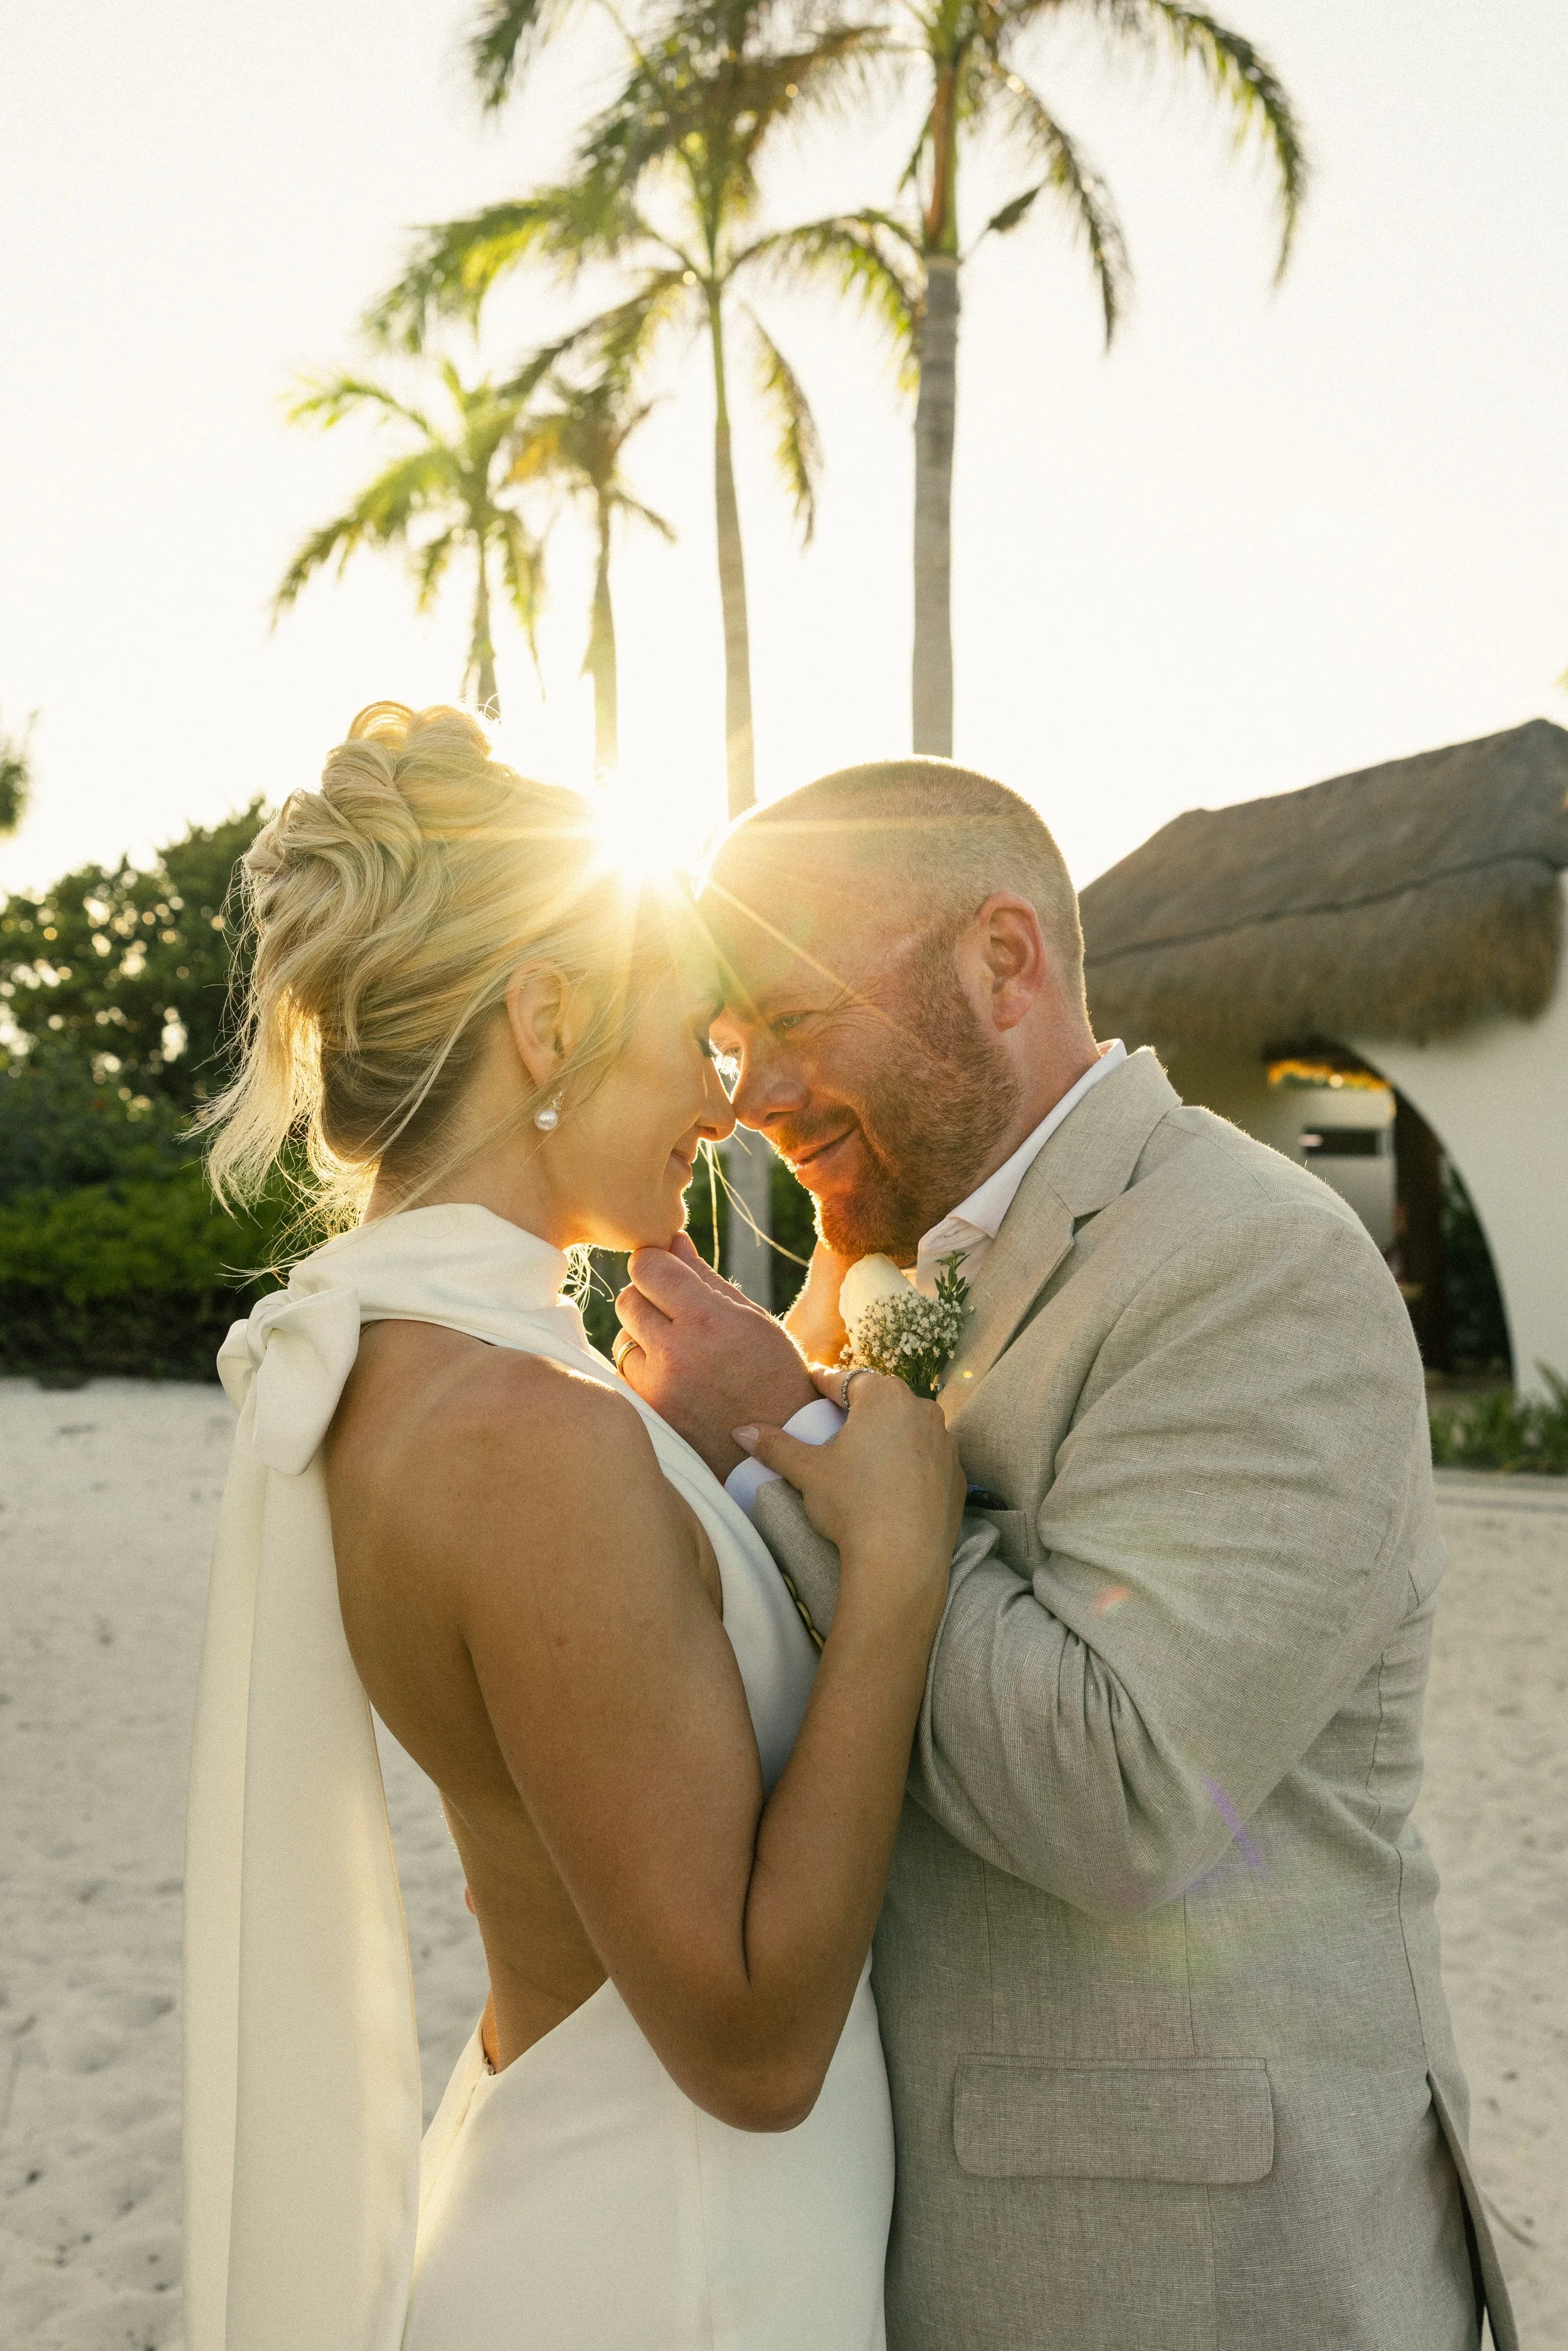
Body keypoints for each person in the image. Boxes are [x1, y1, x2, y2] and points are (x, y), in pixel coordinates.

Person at [615, 756, 1520, 2351]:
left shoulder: (1255, 1263)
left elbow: (1125, 1796)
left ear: (1002, 960)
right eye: (733, 1038)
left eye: (794, 1018)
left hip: (1191, 2274)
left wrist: (782, 1443)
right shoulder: (871, 1266)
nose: (752, 1093)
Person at [182, 705, 966, 2351]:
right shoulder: (528, 1437)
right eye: (692, 1037)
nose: (721, 1102)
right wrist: (897, 1565)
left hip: (599, 2199)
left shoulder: (402, 1374)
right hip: (672, 2262)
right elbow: (752, 2049)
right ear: (546, 1022)